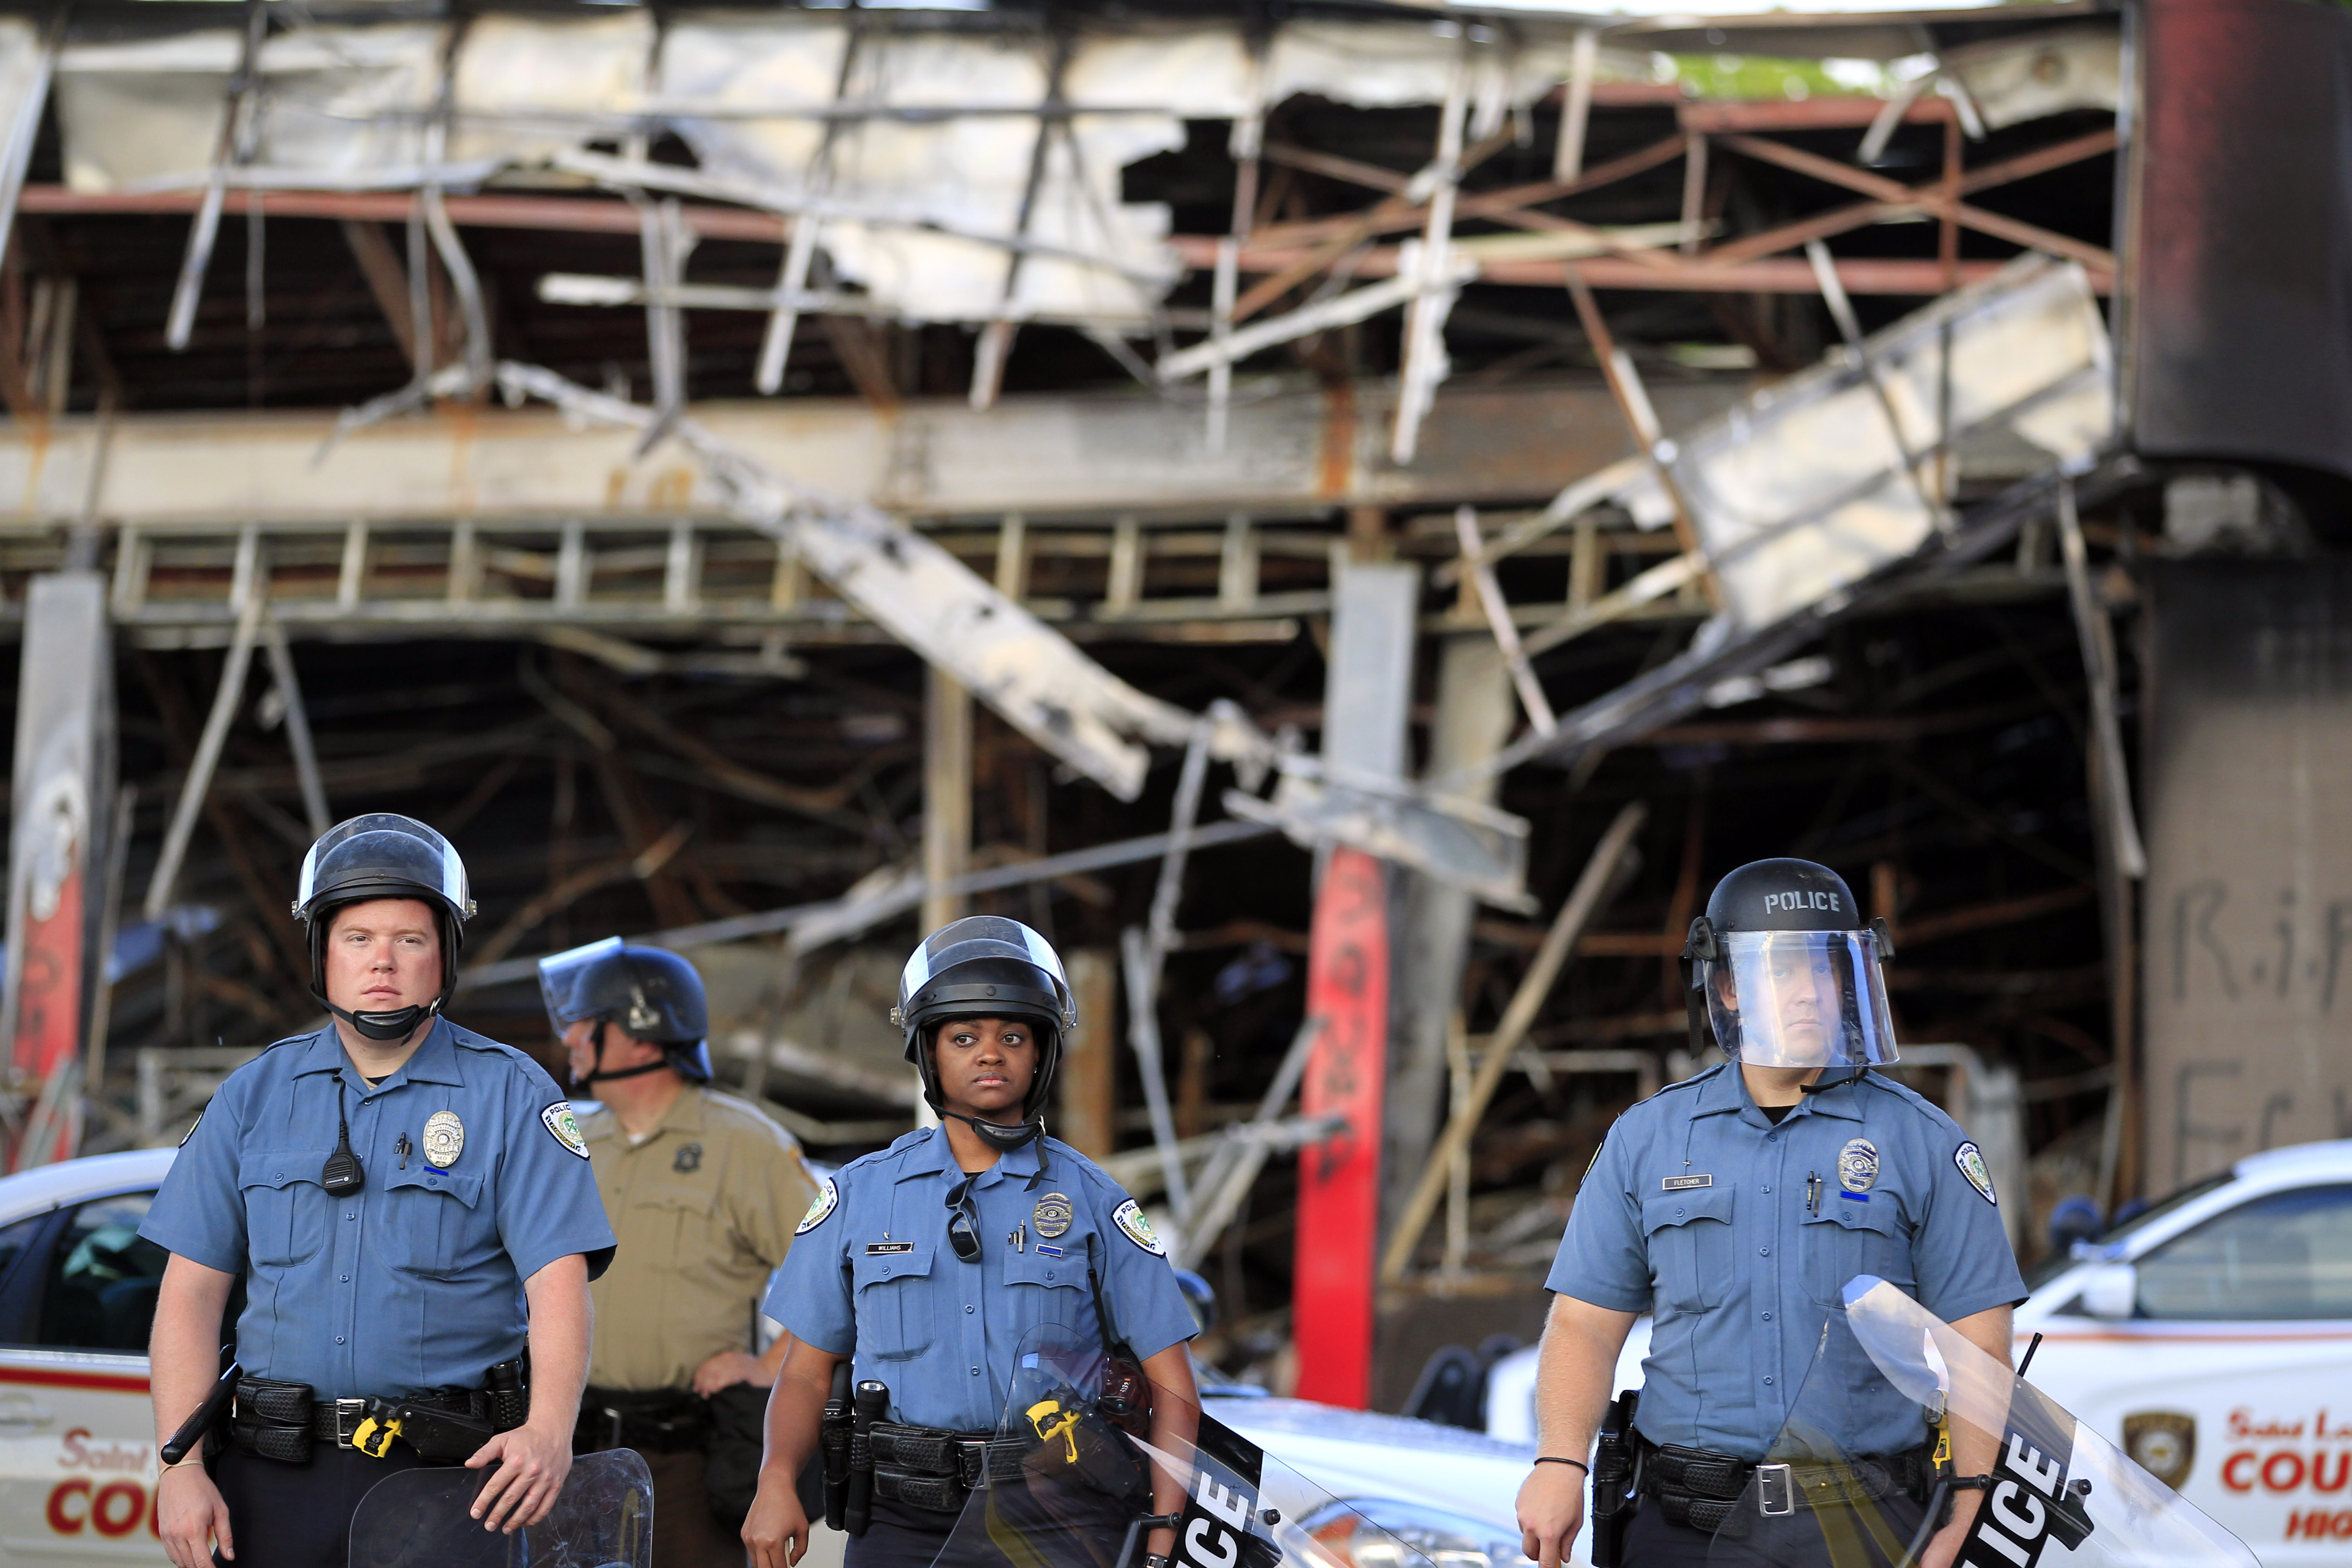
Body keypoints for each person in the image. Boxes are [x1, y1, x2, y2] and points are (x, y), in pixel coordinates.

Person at [1517, 858, 2027, 1568]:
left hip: (1865, 1528)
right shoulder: (1650, 1137)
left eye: (1826, 968)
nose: (1808, 992)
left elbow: (1980, 1350)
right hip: (1682, 1529)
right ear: (1728, 986)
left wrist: (1968, 1510)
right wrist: (1559, 1463)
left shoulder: (1924, 1142)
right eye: (1781, 970)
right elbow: (1583, 1327)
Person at [141, 813, 618, 1568]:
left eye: (411, 940)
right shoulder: (253, 1095)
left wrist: (550, 1431)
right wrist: (182, 1467)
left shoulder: (513, 1094)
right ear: (323, 954)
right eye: (358, 939)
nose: (383, 962)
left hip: (449, 1483)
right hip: (270, 1481)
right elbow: (190, 1296)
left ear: (445, 956)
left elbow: (559, 1286)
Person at [741, 916, 1200, 1568]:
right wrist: (776, 1481)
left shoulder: (1095, 1201)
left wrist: (1161, 1533)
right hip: (899, 1523)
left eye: (1013, 1036)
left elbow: (1174, 1388)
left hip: (1057, 1518)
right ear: (930, 1053)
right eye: (965, 1037)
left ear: (1040, 1054)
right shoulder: (860, 1197)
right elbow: (807, 1375)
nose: (991, 1053)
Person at [539, 936, 822, 1568]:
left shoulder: (744, 1144)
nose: (573, 1039)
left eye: (590, 1023)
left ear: (641, 1038)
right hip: (570, 1451)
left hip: (689, 1464)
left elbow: (843, 1273)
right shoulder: (572, 1140)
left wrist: (770, 1364)